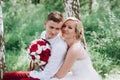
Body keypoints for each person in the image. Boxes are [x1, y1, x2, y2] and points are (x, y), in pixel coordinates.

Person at [2, 11, 67, 80]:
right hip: (40, 72)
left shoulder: (60, 47)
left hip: (49, 77)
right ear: (45, 24)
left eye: (57, 29)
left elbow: (47, 74)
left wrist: (31, 74)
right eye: (51, 27)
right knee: (7, 76)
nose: (53, 32)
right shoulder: (43, 34)